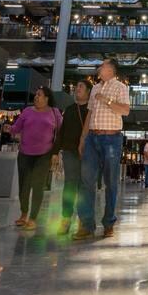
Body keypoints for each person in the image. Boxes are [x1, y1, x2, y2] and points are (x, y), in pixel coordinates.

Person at [75, 57, 130, 239]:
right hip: (92, 137)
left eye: (103, 65)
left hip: (111, 138)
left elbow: (125, 110)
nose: (99, 67)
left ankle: (108, 223)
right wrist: (83, 138)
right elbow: (90, 114)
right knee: (86, 181)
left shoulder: (121, 87)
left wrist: (107, 100)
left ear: (111, 69)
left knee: (111, 182)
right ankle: (86, 225)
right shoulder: (95, 88)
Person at [10, 85, 62, 230]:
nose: (36, 97)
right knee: (24, 185)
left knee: (38, 186)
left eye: (39, 95)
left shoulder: (54, 113)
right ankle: (23, 213)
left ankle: (33, 218)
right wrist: (10, 129)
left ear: (47, 98)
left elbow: (61, 132)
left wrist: (56, 152)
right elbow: (16, 128)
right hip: (25, 153)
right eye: (36, 94)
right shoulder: (27, 111)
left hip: (44, 154)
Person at [56, 80, 91, 235]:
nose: (77, 89)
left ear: (88, 92)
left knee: (84, 186)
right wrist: (55, 151)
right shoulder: (69, 109)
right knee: (70, 184)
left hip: (88, 153)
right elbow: (62, 131)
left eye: (81, 86)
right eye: (76, 87)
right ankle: (66, 218)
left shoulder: (92, 110)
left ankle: (83, 220)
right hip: (70, 151)